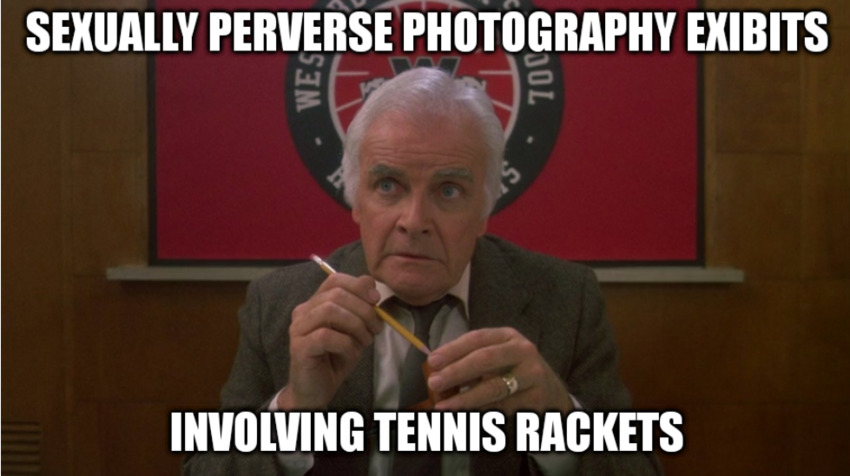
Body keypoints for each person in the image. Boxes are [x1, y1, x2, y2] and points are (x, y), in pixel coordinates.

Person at [183, 67, 661, 475]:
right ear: (356, 200)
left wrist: (560, 423)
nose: (414, 222)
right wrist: (294, 412)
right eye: (388, 185)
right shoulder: (282, 302)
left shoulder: (565, 298)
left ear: (485, 209)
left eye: (449, 191)